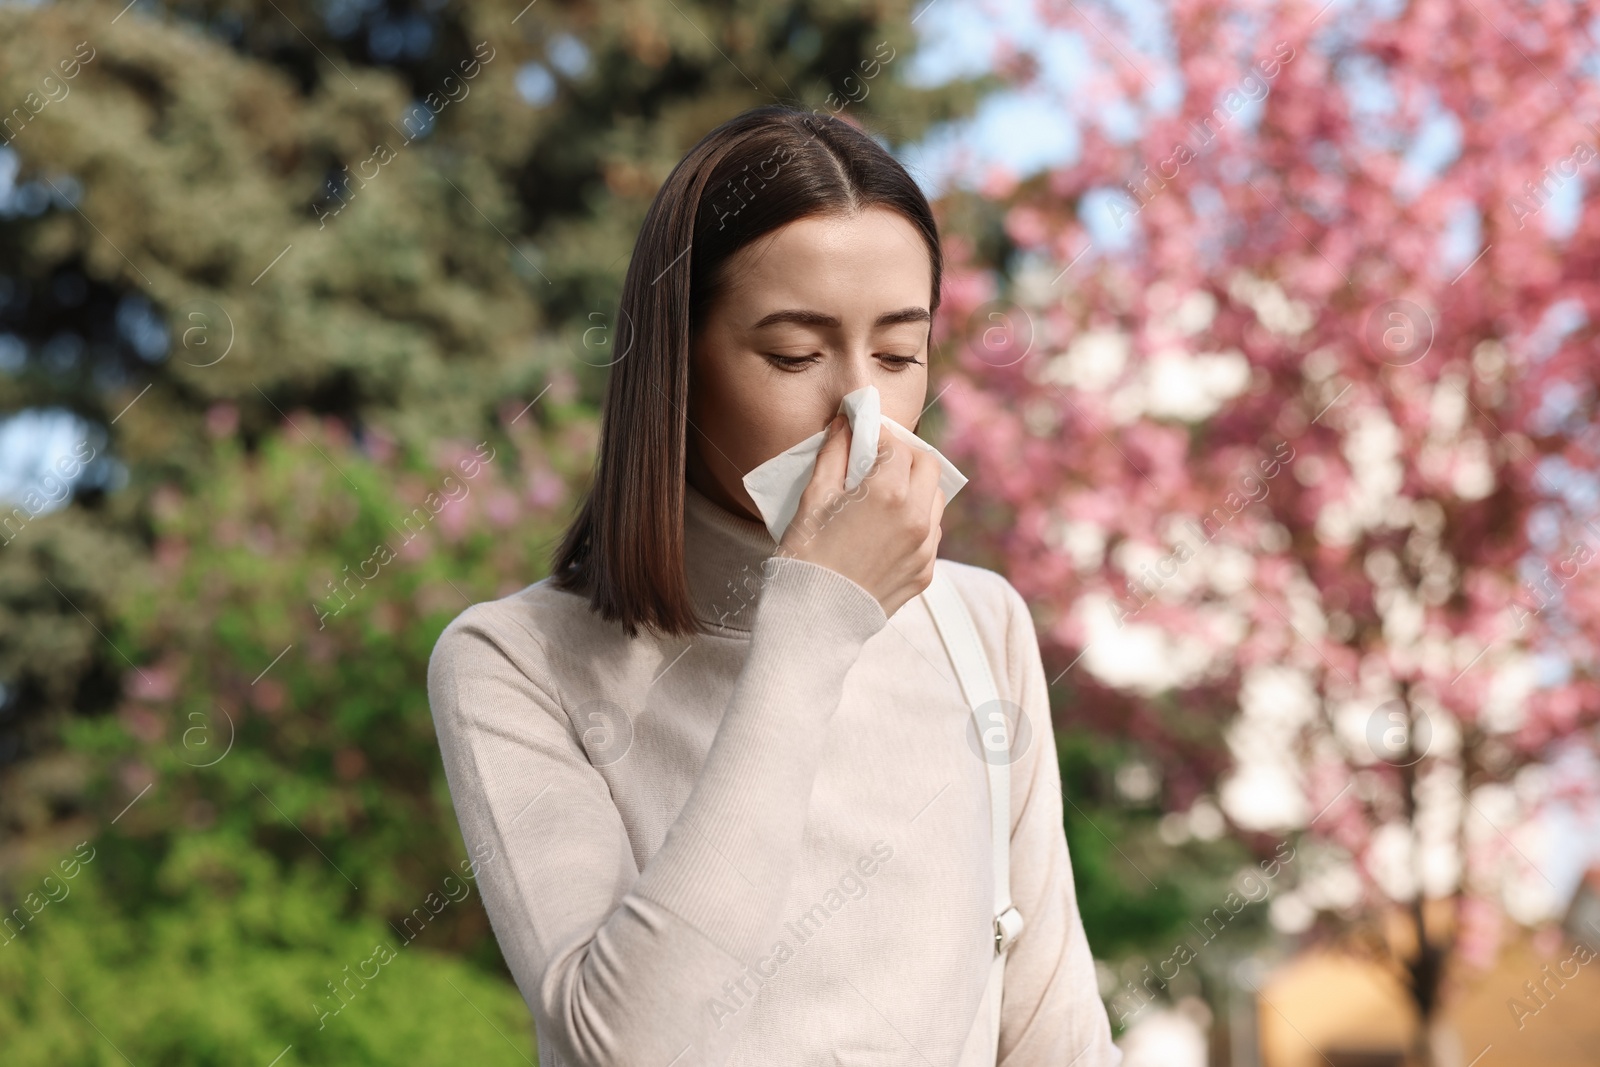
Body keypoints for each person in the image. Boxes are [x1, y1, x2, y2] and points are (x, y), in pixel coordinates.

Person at [427, 104, 1119, 1067]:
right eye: (794, 354)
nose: (861, 408)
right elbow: (621, 1046)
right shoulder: (516, 662)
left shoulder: (980, 625)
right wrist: (812, 620)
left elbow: (1059, 1039)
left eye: (899, 354)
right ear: (679, 365)